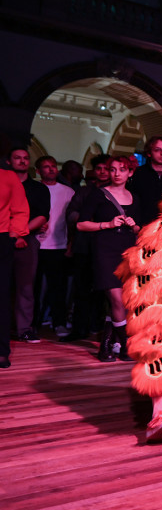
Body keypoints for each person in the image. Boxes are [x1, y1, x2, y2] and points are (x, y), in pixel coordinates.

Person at [75, 155, 142, 362]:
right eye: (113, 169)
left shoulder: (134, 197)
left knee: (124, 302)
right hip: (104, 249)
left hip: (128, 250)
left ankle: (106, 346)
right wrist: (108, 224)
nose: (116, 173)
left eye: (122, 169)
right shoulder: (98, 195)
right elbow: (80, 224)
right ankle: (124, 346)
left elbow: (140, 230)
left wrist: (134, 226)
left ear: (130, 172)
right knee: (116, 298)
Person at [62, 155, 111, 342]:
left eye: (106, 168)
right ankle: (78, 330)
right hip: (84, 245)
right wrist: (88, 220)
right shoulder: (84, 192)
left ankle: (99, 329)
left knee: (104, 291)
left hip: (106, 246)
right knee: (81, 289)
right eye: (99, 168)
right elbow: (71, 213)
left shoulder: (117, 193)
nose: (102, 172)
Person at [8, 147, 50, 343]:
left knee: (25, 286)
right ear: (9, 161)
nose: (22, 161)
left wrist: (19, 233)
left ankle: (24, 328)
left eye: (26, 158)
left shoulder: (39, 188)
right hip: (3, 237)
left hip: (27, 239)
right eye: (17, 158)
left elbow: (42, 215)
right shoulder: (3, 185)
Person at [33, 156, 75, 336]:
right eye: (46, 167)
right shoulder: (33, 189)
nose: (50, 169)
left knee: (58, 288)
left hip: (58, 245)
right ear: (38, 171)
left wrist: (71, 244)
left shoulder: (68, 191)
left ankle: (59, 323)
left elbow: (72, 221)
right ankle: (32, 324)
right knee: (33, 288)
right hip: (34, 244)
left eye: (53, 166)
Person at [0, 164, 30, 368]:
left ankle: (1, 351)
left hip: (1, 239)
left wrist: (13, 235)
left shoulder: (8, 176)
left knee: (1, 296)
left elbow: (20, 209)